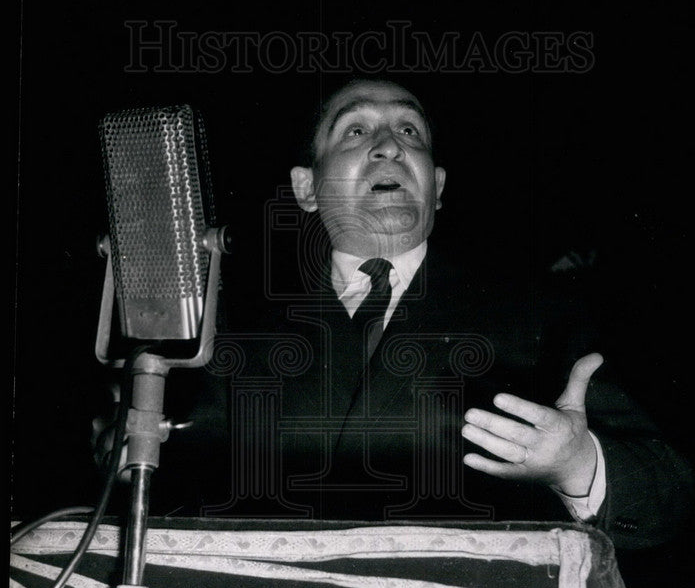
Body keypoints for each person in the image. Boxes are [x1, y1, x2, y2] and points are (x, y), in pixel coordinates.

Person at [100, 78, 692, 545]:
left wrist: (576, 463)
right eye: (355, 131)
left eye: (410, 130)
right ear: (306, 188)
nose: (389, 145)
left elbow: (665, 494)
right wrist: (126, 463)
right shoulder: (226, 329)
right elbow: (170, 499)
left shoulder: (540, 313)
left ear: (436, 184)